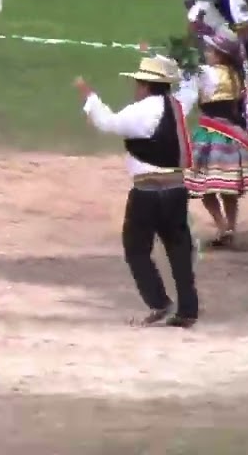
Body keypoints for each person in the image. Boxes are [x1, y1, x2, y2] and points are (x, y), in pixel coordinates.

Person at [74, 55, 198, 328]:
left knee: (136, 248)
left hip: (147, 192)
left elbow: (107, 123)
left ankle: (159, 302)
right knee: (179, 249)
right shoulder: (178, 104)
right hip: (177, 189)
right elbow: (191, 89)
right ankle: (188, 309)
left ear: (145, 85)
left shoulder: (141, 111)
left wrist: (89, 97)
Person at [184, 30, 248, 248]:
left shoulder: (205, 74)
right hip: (235, 137)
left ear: (220, 54)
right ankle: (230, 227)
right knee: (228, 189)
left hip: (209, 137)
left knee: (203, 186)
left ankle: (222, 226)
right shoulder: (239, 75)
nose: (206, 53)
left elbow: (186, 89)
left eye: (210, 50)